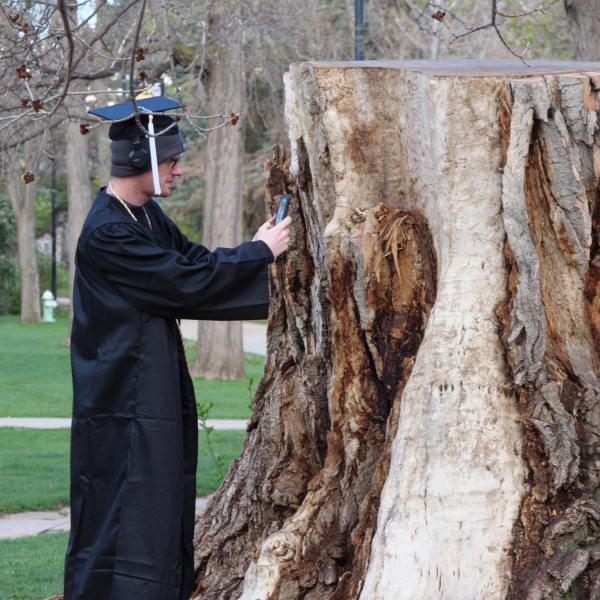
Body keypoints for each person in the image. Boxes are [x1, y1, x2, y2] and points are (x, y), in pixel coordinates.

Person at [63, 96, 291, 599]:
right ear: (140, 160)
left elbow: (193, 260)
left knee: (160, 510)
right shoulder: (108, 230)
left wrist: (254, 249)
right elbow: (183, 282)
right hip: (121, 404)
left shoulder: (145, 216)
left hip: (150, 393)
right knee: (123, 517)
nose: (180, 169)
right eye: (171, 159)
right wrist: (258, 254)